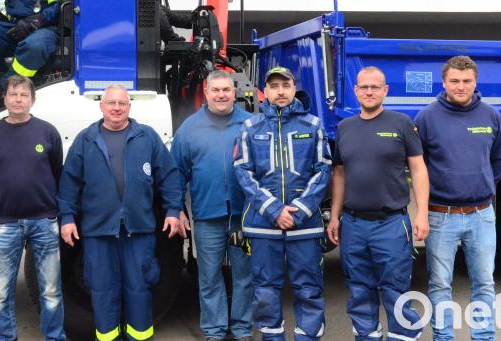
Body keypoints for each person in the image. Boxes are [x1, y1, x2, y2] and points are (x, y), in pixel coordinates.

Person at [58, 84, 183, 341]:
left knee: (140, 290)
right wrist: (67, 218)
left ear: (129, 106)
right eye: (111, 103)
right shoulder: (86, 139)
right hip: (98, 231)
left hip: (138, 230)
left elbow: (169, 176)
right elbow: (69, 182)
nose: (116, 108)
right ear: (102, 106)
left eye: (122, 103)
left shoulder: (147, 137)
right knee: (103, 292)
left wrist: (173, 210)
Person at [326, 66, 430, 341]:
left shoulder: (401, 123)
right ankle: (367, 336)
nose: (369, 91)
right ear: (356, 91)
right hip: (353, 224)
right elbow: (339, 174)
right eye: (364, 87)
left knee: (395, 290)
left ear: (385, 91)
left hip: (392, 224)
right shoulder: (345, 127)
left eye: (375, 87)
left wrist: (422, 215)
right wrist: (335, 216)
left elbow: (418, 169)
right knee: (359, 289)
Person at [414, 56, 501, 341]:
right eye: (454, 81)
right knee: (440, 283)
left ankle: (483, 337)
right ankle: (443, 337)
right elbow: (418, 166)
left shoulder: (491, 116)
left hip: (482, 214)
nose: (460, 86)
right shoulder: (427, 117)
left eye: (466, 81)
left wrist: (478, 185)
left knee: (484, 282)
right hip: (441, 214)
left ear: (475, 82)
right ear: (443, 82)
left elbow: (500, 160)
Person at [233, 66, 331, 341]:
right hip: (264, 226)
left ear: (293, 88)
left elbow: (323, 169)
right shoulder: (250, 127)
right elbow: (243, 171)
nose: (280, 91)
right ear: (266, 91)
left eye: (285, 86)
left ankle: (307, 337)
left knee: (308, 288)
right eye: (274, 86)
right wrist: (274, 210)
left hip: (304, 225)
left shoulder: (312, 125)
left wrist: (299, 210)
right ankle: (272, 337)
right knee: (265, 289)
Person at [0, 75, 65, 341]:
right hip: (4, 223)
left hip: (44, 221)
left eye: (24, 95)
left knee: (50, 290)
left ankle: (54, 336)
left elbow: (56, 172)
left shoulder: (47, 132)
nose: (18, 99)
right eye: (13, 94)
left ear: (32, 100)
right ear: (4, 98)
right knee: (1, 293)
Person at [171, 70, 253, 341]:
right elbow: (176, 174)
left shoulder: (251, 125)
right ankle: (215, 331)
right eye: (215, 90)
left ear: (234, 93)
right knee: (209, 276)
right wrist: (176, 208)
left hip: (244, 216)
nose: (221, 95)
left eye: (226, 90)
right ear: (206, 93)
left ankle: (241, 330)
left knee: (245, 276)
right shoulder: (189, 129)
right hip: (207, 215)